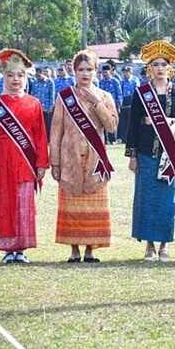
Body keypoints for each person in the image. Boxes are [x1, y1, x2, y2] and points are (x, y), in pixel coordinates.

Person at [126, 40, 175, 262]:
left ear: (170, 67)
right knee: (147, 198)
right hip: (146, 152)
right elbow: (133, 124)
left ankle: (164, 245)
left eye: (163, 64)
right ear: (149, 68)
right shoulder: (141, 92)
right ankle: (149, 246)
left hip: (170, 155)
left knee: (168, 200)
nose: (160, 68)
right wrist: (132, 155)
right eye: (155, 64)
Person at [0, 49, 49, 264]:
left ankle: (21, 249)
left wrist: (41, 163)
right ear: (4, 77)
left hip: (26, 164)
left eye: (20, 75)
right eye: (10, 75)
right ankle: (7, 249)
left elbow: (40, 137)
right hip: (2, 163)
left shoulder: (34, 103)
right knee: (5, 205)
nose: (15, 80)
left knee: (23, 205)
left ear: (26, 77)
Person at [49, 50, 118, 263]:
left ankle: (90, 250)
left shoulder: (105, 96)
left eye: (89, 69)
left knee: (92, 205)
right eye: (81, 70)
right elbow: (56, 130)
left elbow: (112, 126)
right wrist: (55, 162)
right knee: (71, 205)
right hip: (69, 158)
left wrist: (97, 103)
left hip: (96, 160)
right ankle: (74, 250)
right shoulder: (65, 97)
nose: (85, 74)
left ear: (96, 71)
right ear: (74, 71)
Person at [99, 65, 122, 143]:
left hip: (113, 105)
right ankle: (105, 140)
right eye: (103, 72)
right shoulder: (101, 82)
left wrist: (119, 105)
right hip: (103, 105)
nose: (104, 74)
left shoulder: (115, 81)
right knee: (103, 121)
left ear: (110, 71)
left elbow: (119, 94)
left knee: (112, 122)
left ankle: (113, 140)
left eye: (106, 72)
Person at [31, 67, 56, 137]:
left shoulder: (49, 82)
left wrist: (51, 106)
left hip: (46, 108)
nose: (37, 77)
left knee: (46, 126)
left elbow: (52, 95)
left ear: (42, 74)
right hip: (36, 108)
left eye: (39, 75)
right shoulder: (34, 82)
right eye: (36, 75)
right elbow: (32, 95)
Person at [119, 66, 140, 145]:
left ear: (130, 72)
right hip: (124, 101)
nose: (125, 73)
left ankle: (132, 137)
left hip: (132, 100)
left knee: (131, 121)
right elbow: (120, 91)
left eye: (127, 72)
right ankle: (124, 138)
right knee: (123, 121)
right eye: (124, 72)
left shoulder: (135, 80)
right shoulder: (122, 81)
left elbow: (137, 91)